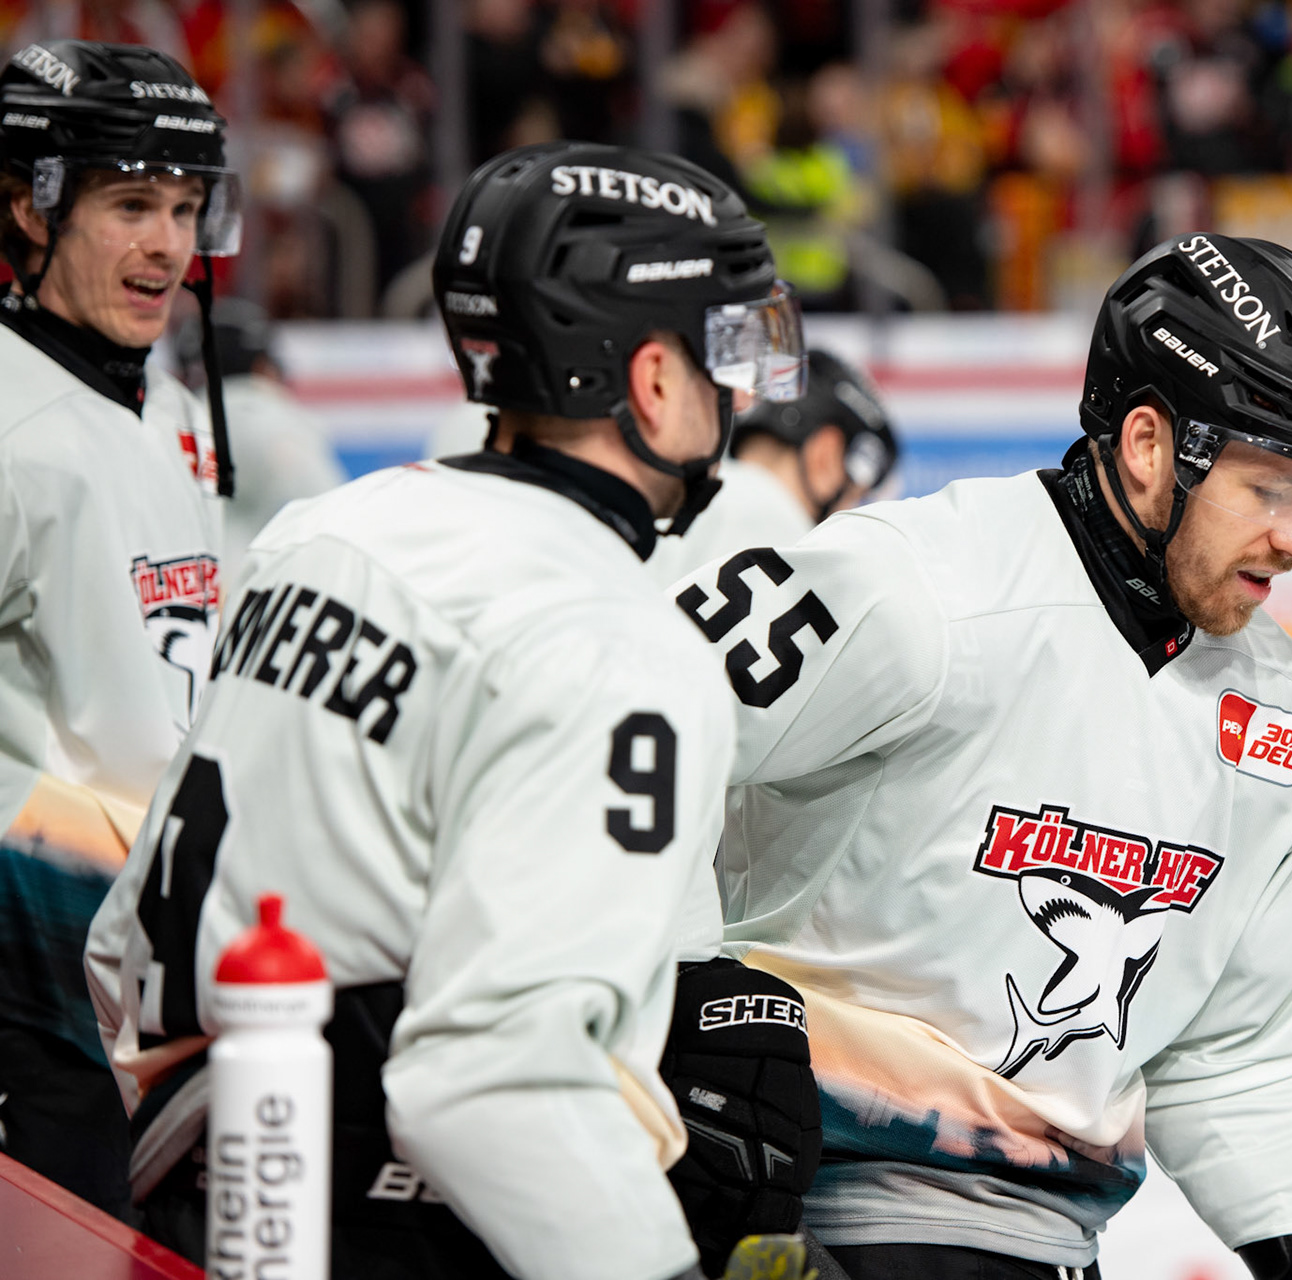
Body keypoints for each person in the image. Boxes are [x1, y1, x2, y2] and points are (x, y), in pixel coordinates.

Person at [86, 141, 817, 1279]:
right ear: (653, 379)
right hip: (389, 1213)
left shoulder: (321, 535)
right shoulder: (612, 639)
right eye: (720, 352)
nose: (731, 394)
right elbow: (488, 1076)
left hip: (194, 1180)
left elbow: (124, 937)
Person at [668, 232, 1292, 1279]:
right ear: (1151, 445)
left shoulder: (1282, 717)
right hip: (805, 1217)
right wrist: (688, 998)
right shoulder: (917, 591)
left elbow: (1233, 1051)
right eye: (1272, 490)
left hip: (1050, 1246)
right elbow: (614, 740)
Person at [0, 39, 235, 1217]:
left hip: (154, 979)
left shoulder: (174, 408)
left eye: (186, 207)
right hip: (31, 989)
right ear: (29, 207)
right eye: (131, 203)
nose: (167, 245)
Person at [648, 347, 896, 580]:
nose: (847, 511)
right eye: (854, 497)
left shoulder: (665, 488)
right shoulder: (799, 554)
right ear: (825, 458)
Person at [174, 296, 348, 564]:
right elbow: (334, 524)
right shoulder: (274, 422)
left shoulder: (168, 426)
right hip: (269, 591)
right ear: (261, 365)